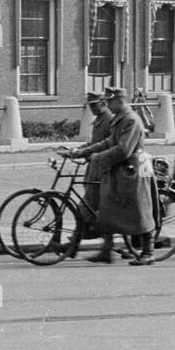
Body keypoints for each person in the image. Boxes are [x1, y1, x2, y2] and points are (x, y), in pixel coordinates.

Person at [72, 86, 156, 266]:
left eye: (109, 101)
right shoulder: (120, 120)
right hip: (120, 171)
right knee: (107, 208)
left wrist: (97, 157)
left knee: (139, 210)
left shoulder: (132, 120)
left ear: (120, 101)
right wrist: (82, 152)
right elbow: (108, 142)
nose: (107, 105)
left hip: (134, 171)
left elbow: (123, 149)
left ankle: (148, 252)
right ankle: (106, 251)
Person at [59, 92, 113, 259]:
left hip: (102, 171)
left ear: (104, 103)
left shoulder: (109, 120)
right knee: (88, 210)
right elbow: (93, 143)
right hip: (94, 170)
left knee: (90, 209)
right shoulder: (99, 120)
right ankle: (76, 245)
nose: (92, 108)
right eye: (90, 106)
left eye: (95, 105)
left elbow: (105, 145)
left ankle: (94, 247)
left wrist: (82, 152)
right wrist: (77, 151)